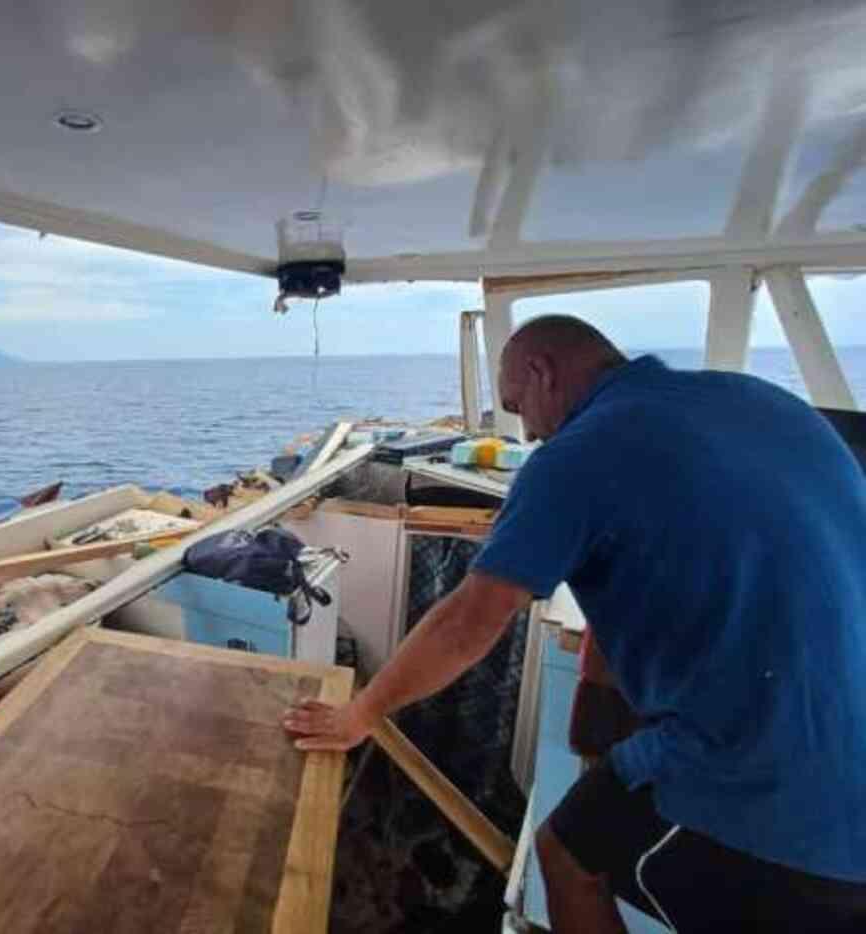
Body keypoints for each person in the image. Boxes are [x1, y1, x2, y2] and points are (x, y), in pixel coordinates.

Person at [282, 315, 866, 932]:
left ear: (542, 374)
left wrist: (362, 713)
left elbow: (467, 623)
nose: (527, 432)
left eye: (516, 407)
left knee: (565, 855)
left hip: (788, 798)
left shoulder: (577, 456)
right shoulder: (759, 401)